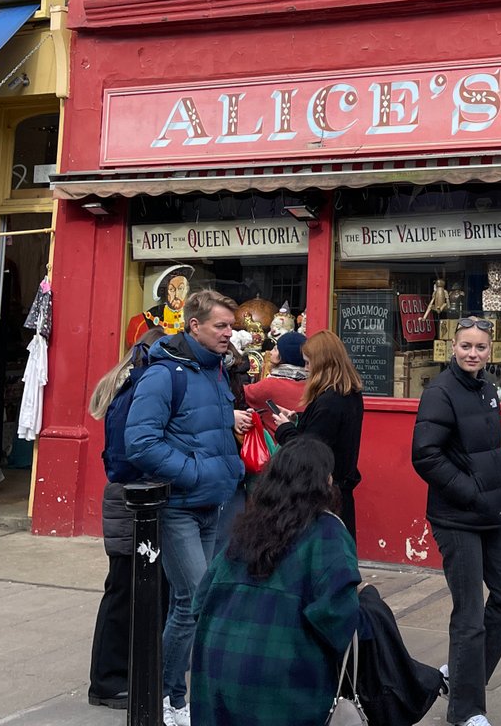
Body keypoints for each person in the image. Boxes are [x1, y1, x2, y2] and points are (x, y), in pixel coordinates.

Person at [125, 289, 250, 726]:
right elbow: (140, 442)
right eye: (221, 325)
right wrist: (194, 472)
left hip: (213, 504)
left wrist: (229, 470)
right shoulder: (164, 375)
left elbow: (211, 431)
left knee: (199, 601)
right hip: (179, 506)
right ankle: (164, 694)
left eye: (231, 326)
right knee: (192, 600)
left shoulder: (216, 371)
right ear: (194, 325)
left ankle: (180, 694)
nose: (229, 333)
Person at [190, 437, 361, 726]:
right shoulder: (326, 532)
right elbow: (337, 616)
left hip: (218, 672)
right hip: (285, 682)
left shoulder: (246, 528)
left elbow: (199, 602)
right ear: (322, 482)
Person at [412, 316, 501, 726]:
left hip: (487, 515)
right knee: (470, 616)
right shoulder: (440, 392)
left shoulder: (487, 388)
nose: (472, 354)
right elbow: (425, 455)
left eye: (480, 347)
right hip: (456, 518)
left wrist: (489, 496)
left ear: (490, 350)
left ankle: (460, 676)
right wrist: (471, 492)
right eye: (466, 346)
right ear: (453, 347)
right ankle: (466, 710)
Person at [86, 327, 170, 711]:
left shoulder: (128, 383)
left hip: (129, 497)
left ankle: (122, 674)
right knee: (122, 592)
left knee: (132, 591)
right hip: (131, 500)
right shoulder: (136, 389)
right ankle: (106, 682)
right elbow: (125, 458)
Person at [271, 331, 364, 537]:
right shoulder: (349, 393)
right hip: (339, 491)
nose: (306, 368)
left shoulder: (329, 401)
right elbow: (326, 433)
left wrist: (285, 428)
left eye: (308, 362)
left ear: (322, 363)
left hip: (322, 494)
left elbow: (308, 454)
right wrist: (297, 419)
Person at [242, 330, 308, 435]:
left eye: (275, 349)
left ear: (281, 357)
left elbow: (241, 393)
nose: (271, 352)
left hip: (276, 442)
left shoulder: (270, 385)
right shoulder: (312, 384)